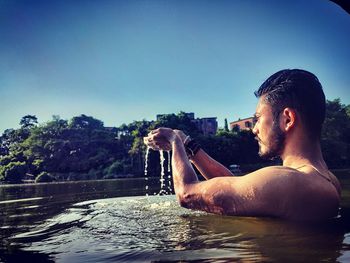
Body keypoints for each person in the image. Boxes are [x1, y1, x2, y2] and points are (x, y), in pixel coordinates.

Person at [144, 69, 341, 221]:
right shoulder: (327, 180)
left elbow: (187, 193)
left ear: (287, 119)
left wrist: (175, 140)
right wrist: (190, 147)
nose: (254, 129)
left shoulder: (288, 181)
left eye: (258, 119)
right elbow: (236, 187)